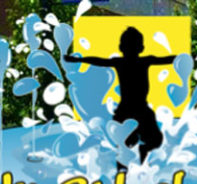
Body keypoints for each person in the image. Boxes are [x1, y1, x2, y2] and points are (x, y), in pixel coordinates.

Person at [65, 28, 178, 163]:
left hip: (129, 110)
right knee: (145, 141)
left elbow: (99, 61)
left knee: (135, 143)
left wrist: (79, 60)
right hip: (135, 109)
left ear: (121, 47)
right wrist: (183, 58)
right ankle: (135, 158)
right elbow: (167, 59)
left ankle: (133, 159)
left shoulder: (123, 62)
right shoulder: (142, 61)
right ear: (141, 47)